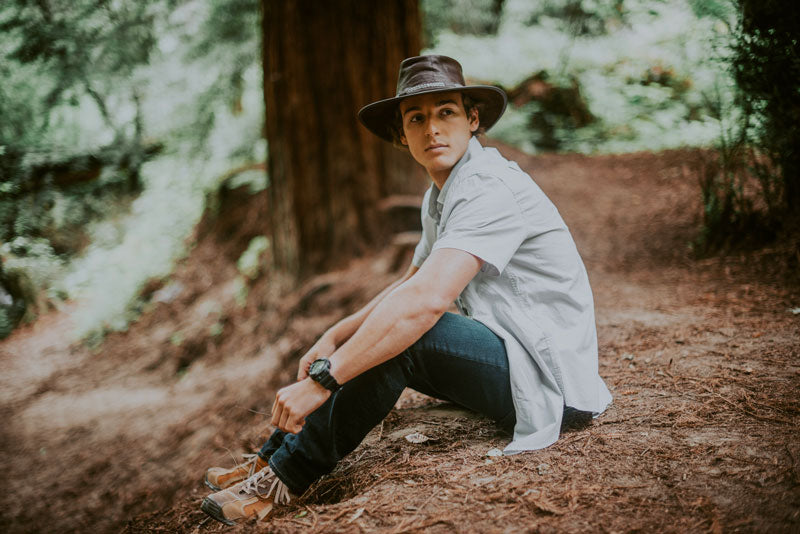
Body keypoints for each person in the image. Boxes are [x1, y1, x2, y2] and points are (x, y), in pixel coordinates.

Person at [200, 54, 612, 526]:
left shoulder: (488, 188)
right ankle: (269, 457)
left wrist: (324, 379)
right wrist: (336, 334)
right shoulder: (442, 193)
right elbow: (412, 283)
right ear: (402, 135)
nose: (432, 128)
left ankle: (284, 478)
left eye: (446, 112)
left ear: (473, 120)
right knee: (381, 333)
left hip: (551, 381)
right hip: (511, 354)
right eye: (417, 118)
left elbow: (427, 302)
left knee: (403, 337)